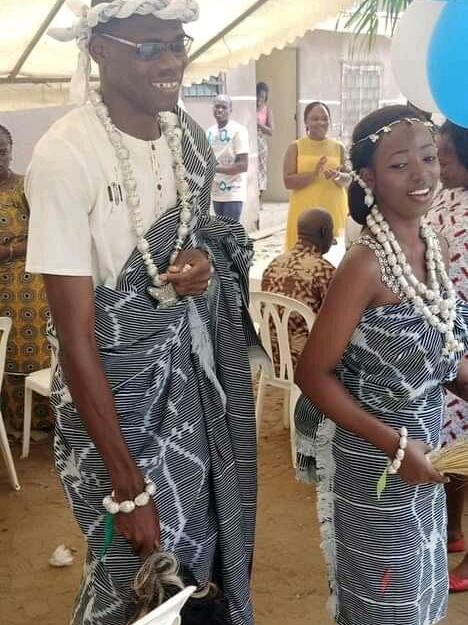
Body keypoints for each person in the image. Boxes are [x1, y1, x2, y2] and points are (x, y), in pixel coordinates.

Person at [25, 2, 258, 624]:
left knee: (197, 562)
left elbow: (200, 241)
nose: (171, 61)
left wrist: (200, 264)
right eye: (149, 48)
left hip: (191, 393)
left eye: (177, 44)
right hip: (112, 407)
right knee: (129, 579)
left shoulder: (188, 138)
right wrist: (126, 485)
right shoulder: (64, 155)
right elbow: (77, 339)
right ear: (99, 51)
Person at [294, 105, 468, 625]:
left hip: (424, 455)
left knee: (421, 597)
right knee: (385, 605)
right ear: (368, 178)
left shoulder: (435, 247)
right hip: (377, 463)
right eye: (399, 165)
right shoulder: (365, 264)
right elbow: (312, 374)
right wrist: (394, 445)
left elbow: (443, 355)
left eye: (429, 158)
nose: (421, 175)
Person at [426, 119, 468, 593]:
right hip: (443, 338)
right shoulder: (442, 194)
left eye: (447, 155)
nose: (440, 164)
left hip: (463, 336)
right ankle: (452, 530)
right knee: (451, 443)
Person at [0, 124, 52, 434]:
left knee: (36, 350)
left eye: (2, 152)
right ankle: (13, 425)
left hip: (29, 282)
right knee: (4, 353)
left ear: (10, 151)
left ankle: (44, 425)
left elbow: (46, 231)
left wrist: (7, 251)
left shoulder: (25, 186)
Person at [261, 208, 334, 368]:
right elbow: (337, 322)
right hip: (306, 364)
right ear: (324, 232)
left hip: (270, 358)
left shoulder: (274, 264)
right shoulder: (324, 271)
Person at [283, 101, 349, 250]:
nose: (321, 122)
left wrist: (337, 176)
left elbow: (348, 179)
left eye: (325, 118)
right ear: (306, 122)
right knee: (303, 254)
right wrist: (314, 174)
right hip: (304, 209)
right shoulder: (295, 147)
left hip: (333, 208)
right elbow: (288, 181)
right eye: (315, 119)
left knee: (334, 254)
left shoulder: (339, 147)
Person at [206, 95, 249, 222]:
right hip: (216, 191)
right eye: (217, 106)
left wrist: (215, 168)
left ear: (230, 110)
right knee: (221, 230)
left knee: (230, 230)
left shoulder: (238, 131)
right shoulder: (209, 132)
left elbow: (243, 165)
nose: (220, 110)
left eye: (224, 107)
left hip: (233, 191)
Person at [256, 82, 274, 199]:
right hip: (249, 142)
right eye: (258, 95)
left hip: (261, 144)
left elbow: (271, 131)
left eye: (262, 97)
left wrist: (258, 124)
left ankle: (259, 198)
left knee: (261, 171)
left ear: (265, 97)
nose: (259, 99)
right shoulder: (250, 107)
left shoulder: (267, 111)